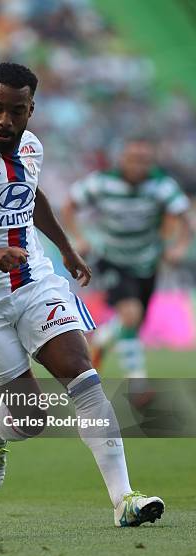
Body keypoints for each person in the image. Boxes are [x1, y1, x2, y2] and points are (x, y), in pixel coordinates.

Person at [0, 62, 164, 527]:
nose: (5, 121)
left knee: (82, 373)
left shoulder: (31, 147)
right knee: (31, 420)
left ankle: (124, 499)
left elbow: (33, 196)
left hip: (34, 283)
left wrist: (67, 249)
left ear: (32, 109)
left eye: (16, 111)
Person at [63, 139, 191, 378]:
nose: (137, 165)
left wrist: (179, 247)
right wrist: (77, 238)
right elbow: (70, 204)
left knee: (134, 319)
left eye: (143, 160)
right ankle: (137, 383)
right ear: (122, 159)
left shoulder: (161, 185)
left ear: (150, 163)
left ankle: (101, 339)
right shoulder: (102, 182)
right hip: (111, 258)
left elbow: (185, 216)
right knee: (131, 314)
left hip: (147, 262)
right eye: (132, 159)